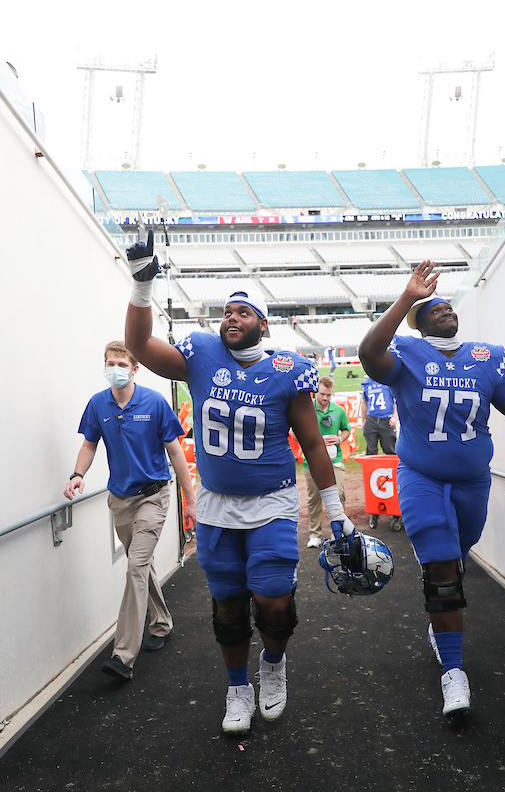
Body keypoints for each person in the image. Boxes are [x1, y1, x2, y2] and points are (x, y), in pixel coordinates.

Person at [124, 236, 354, 736]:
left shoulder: (286, 370)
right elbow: (139, 346)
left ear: (263, 324)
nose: (231, 317)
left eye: (243, 312)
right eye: (226, 311)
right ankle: (236, 685)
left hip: (271, 501)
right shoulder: (201, 356)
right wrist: (143, 286)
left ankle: (272, 665)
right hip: (215, 506)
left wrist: (335, 509)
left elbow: (314, 445)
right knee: (227, 605)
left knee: (273, 596)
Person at [358, 261, 505, 720]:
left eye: (447, 305)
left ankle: (441, 625)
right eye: (433, 308)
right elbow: (368, 353)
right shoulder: (406, 355)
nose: (443, 310)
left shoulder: (484, 356)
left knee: (456, 561)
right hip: (420, 476)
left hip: (472, 482)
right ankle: (454, 673)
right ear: (419, 324)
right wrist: (407, 299)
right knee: (441, 569)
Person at [65, 341, 198, 681]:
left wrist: (191, 497)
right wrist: (78, 475)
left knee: (136, 568)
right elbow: (89, 444)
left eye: (122, 363)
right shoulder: (98, 404)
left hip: (153, 497)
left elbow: (175, 452)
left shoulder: (154, 402)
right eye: (111, 363)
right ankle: (162, 622)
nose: (116, 369)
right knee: (140, 566)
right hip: (120, 500)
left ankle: (123, 655)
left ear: (135, 368)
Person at [304, 376, 350, 549]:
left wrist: (339, 438)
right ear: (316, 391)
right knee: (314, 498)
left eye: (329, 395)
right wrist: (315, 440)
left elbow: (346, 430)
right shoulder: (305, 410)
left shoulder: (338, 410)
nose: (325, 398)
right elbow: (294, 434)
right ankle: (315, 534)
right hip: (312, 461)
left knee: (339, 495)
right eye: (322, 394)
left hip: (335, 459)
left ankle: (337, 534)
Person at [359, 375, 398, 456]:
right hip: (371, 419)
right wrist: (364, 420)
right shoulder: (366, 383)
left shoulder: (387, 381)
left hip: (386, 418)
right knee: (371, 450)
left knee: (390, 448)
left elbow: (396, 399)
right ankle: (371, 468)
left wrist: (394, 416)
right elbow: (364, 402)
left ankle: (393, 468)